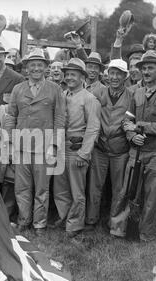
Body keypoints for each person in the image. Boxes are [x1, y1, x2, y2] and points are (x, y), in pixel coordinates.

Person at [110, 50, 156, 241]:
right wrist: (132, 135)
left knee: (152, 195)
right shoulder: (137, 93)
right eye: (144, 68)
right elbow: (127, 120)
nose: (146, 72)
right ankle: (118, 230)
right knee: (127, 191)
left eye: (151, 68)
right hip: (136, 151)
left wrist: (141, 127)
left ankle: (146, 234)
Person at [4, 48, 66, 236]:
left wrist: (54, 145)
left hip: (44, 147)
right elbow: (10, 116)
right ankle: (24, 220)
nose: (36, 68)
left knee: (42, 188)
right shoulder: (18, 89)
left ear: (46, 68)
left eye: (40, 65)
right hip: (22, 146)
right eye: (33, 65)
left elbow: (60, 118)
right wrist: (8, 143)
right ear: (26, 68)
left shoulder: (55, 89)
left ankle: (39, 224)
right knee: (21, 187)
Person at [53, 58, 100, 237]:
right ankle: (64, 217)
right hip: (61, 148)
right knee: (60, 187)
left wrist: (84, 153)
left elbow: (93, 127)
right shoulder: (64, 95)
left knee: (76, 190)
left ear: (82, 77)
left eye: (74, 74)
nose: (69, 77)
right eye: (67, 74)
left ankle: (75, 224)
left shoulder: (89, 99)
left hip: (76, 149)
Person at [86, 59, 132, 229]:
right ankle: (91, 219)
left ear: (125, 76)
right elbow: (91, 116)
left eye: (118, 74)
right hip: (100, 148)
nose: (114, 77)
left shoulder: (132, 95)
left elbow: (132, 121)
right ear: (107, 75)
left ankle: (116, 224)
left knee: (119, 189)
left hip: (120, 149)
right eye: (112, 73)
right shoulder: (98, 92)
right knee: (94, 186)